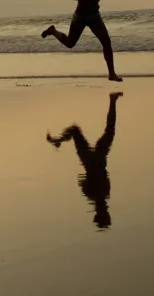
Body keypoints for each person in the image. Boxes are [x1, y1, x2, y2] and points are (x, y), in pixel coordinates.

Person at [41, 0, 122, 82]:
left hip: (94, 15)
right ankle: (53, 31)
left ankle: (111, 74)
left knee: (106, 42)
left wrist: (95, 1)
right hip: (81, 16)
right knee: (70, 43)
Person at [47, 92, 123, 229]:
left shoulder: (104, 192)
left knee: (108, 129)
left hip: (99, 158)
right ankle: (59, 140)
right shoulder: (92, 195)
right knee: (78, 130)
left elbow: (100, 176)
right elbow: (81, 181)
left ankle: (113, 100)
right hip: (89, 161)